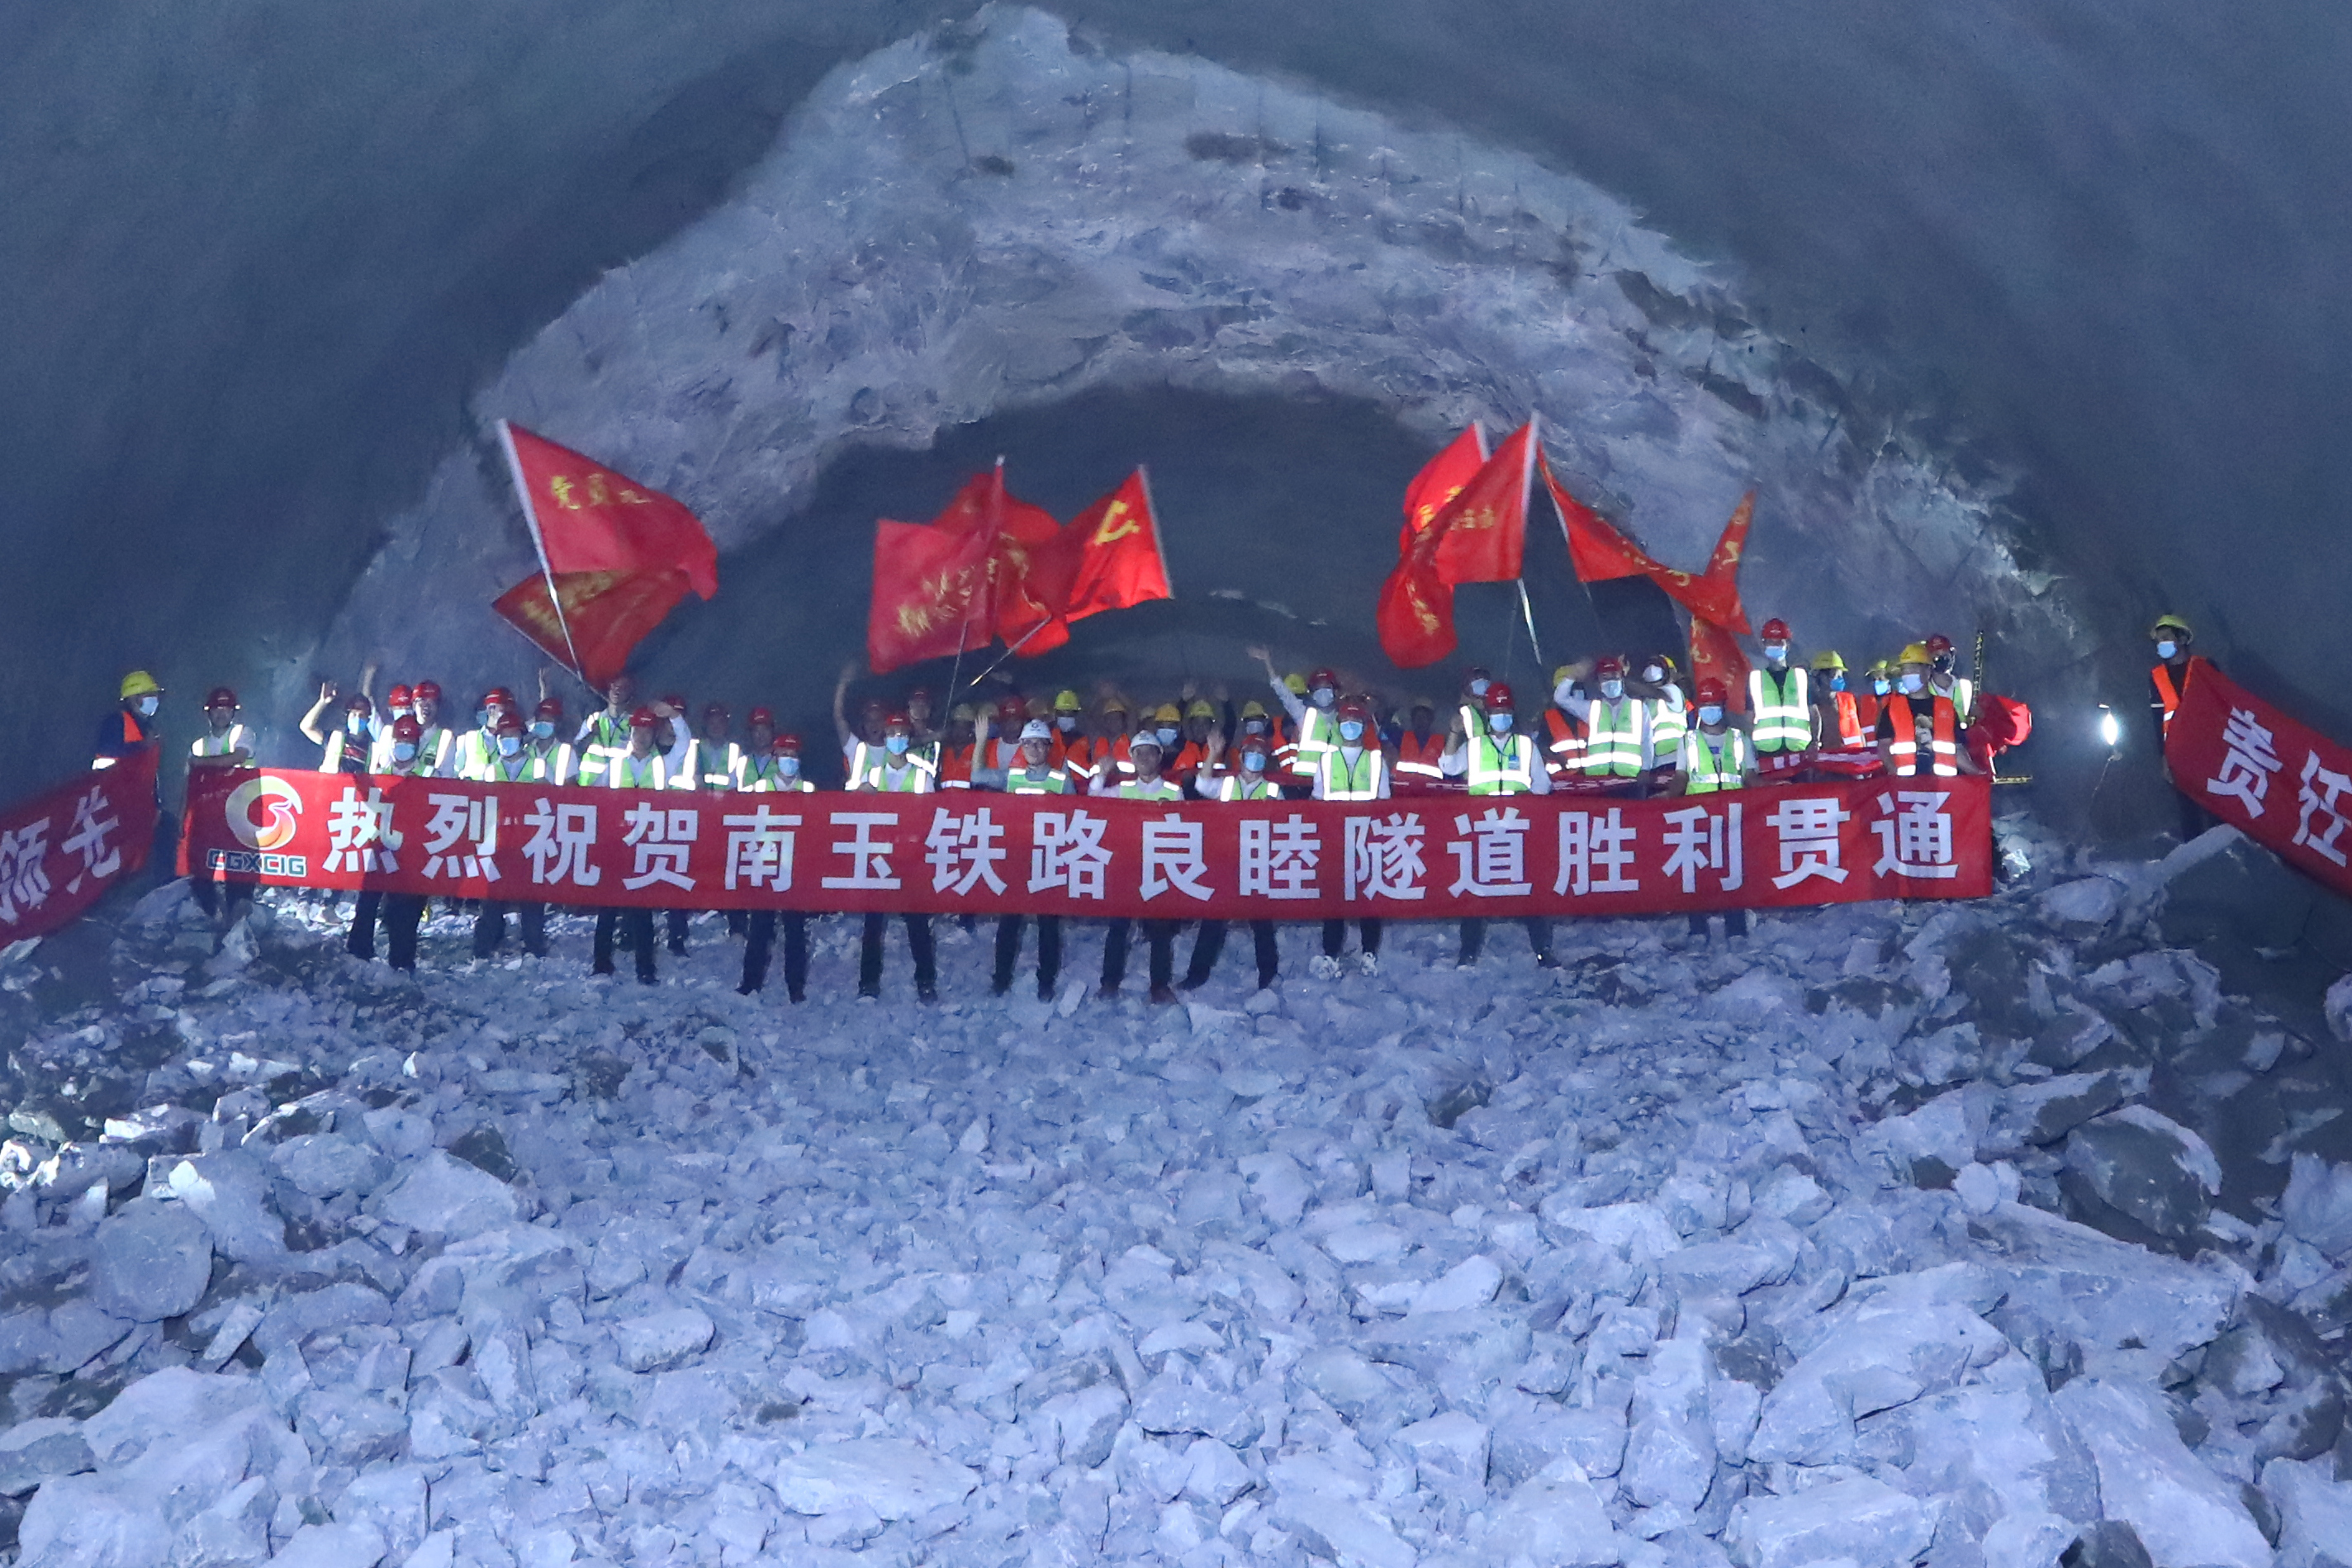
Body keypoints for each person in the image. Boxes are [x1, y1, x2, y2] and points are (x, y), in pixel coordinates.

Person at [1440, 682, 1558, 969]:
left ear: (1512, 713)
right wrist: (1454, 733)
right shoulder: (1475, 746)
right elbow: (1448, 766)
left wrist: (1523, 803)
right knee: (1475, 893)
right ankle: (1468, 953)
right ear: (1488, 714)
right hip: (1482, 830)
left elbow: (1542, 786)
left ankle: (1542, 950)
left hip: (1518, 830)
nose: (1500, 716)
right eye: (1495, 711)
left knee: (1530, 890)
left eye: (1505, 711)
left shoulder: (1526, 746)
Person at [1181, 725, 1283, 991]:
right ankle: (1197, 974)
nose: (1256, 757)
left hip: (1257, 862)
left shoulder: (1273, 790)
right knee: (1213, 918)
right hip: (1226, 860)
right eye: (1251, 752)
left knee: (1261, 922)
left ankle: (1268, 975)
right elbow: (1202, 785)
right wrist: (1213, 754)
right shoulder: (1227, 784)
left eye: (1261, 753)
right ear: (1242, 755)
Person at [849, 712, 938, 1002]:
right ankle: (868, 982)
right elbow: (852, 811)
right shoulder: (872, 775)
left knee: (917, 923)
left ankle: (925, 980)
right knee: (873, 923)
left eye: (902, 734)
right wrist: (860, 795)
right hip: (880, 857)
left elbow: (929, 817)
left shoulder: (922, 775)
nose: (897, 739)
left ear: (909, 739)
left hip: (911, 857)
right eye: (892, 734)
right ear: (885, 738)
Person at [1092, 732, 1183, 1003]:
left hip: (1158, 867)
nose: (1144, 758)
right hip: (1128, 866)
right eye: (1138, 753)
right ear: (1131, 758)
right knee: (1119, 927)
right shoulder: (1122, 789)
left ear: (1159, 757)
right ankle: (1110, 982)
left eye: (1149, 752)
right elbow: (1093, 801)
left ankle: (1159, 985)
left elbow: (1184, 828)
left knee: (1160, 930)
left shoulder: (1173, 792)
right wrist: (1101, 774)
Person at [988, 721, 1071, 999]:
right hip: (1018, 858)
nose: (1033, 749)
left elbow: (1077, 816)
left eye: (1039, 743)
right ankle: (1001, 978)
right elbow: (976, 775)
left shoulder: (1061, 780)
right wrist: (981, 741)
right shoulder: (1011, 776)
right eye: (1028, 744)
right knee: (1009, 923)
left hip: (1048, 859)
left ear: (1048, 747)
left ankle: (1046, 981)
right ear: (1021, 747)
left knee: (1048, 925)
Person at [351, 716, 440, 971]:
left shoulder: (430, 775)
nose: (402, 748)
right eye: (399, 742)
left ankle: (401, 963)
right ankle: (359, 954)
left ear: (416, 746)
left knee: (406, 911)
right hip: (381, 847)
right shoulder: (380, 776)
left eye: (408, 743)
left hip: (413, 854)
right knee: (368, 901)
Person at [1671, 678, 1754, 943]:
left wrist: (1777, 791)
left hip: (1733, 817)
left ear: (1723, 706)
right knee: (1696, 872)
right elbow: (1681, 778)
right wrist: (1666, 797)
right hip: (1698, 816)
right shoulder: (1688, 741)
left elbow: (1750, 777)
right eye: (1705, 705)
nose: (1709, 710)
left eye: (1714, 704)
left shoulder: (1740, 739)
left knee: (1733, 872)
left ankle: (1736, 928)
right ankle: (1698, 927)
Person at [737, 726, 818, 1002]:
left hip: (794, 867)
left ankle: (795, 987)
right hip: (766, 862)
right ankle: (750, 982)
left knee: (794, 930)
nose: (789, 759)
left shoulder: (809, 790)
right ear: (775, 757)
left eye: (793, 755)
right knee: (760, 927)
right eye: (784, 754)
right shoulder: (760, 787)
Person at [1310, 697, 1387, 978]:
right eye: (1346, 722)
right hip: (1335, 840)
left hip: (1367, 839)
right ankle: (1331, 954)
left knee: (1369, 899)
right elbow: (1317, 800)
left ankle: (1369, 953)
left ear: (1364, 726)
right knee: (1334, 900)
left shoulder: (1376, 761)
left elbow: (1384, 804)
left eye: (1356, 722)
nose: (1351, 727)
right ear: (1338, 726)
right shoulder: (1326, 761)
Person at [592, 708, 668, 983]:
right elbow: (595, 797)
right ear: (631, 733)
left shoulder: (661, 766)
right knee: (607, 909)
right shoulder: (615, 766)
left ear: (654, 735)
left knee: (641, 910)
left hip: (646, 844)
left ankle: (645, 968)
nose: (642, 736)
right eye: (638, 731)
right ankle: (601, 964)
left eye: (648, 731)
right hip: (616, 844)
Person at [187, 688, 257, 921]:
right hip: (209, 818)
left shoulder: (243, 734)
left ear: (234, 712)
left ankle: (237, 920)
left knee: (239, 871)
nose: (221, 714)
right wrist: (183, 819)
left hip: (240, 816)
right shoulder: (198, 745)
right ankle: (213, 916)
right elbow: (189, 786)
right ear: (208, 712)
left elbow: (238, 757)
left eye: (226, 709)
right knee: (201, 870)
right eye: (217, 709)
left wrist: (201, 763)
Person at [1875, 644, 1983, 779]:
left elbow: (1957, 749)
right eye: (1904, 671)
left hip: (1942, 785)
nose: (1907, 675)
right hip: (1906, 785)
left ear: (1927, 671)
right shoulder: (1892, 708)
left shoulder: (1946, 707)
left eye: (1913, 669)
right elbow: (1884, 747)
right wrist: (1894, 772)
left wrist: (1977, 773)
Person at [2147, 613, 2211, 841]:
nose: (2161, 644)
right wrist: (2164, 758)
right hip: (2180, 753)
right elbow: (2158, 720)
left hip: (2211, 748)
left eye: (2166, 638)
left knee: (2218, 805)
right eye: (2158, 641)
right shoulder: (2157, 677)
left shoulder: (2205, 667)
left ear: (2182, 638)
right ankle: (2197, 855)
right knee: (2189, 812)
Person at [1559, 656, 1653, 794]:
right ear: (1598, 684)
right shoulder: (1592, 709)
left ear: (1622, 678)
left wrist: (1646, 769)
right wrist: (1572, 676)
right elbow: (1561, 698)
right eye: (1605, 678)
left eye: (1614, 676)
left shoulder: (1639, 708)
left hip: (1630, 780)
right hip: (1598, 781)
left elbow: (1647, 740)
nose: (1611, 681)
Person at [1255, 650, 1340, 796]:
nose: (1322, 692)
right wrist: (1268, 663)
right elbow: (1285, 695)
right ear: (1312, 692)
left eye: (1326, 687)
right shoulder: (1306, 715)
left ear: (1335, 691)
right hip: (1303, 785)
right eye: (1318, 688)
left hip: (1335, 785)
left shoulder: (1346, 719)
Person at [1746, 619, 1811, 777]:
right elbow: (1748, 719)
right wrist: (1750, 752)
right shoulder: (1755, 679)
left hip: (1799, 753)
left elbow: (1814, 713)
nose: (1774, 646)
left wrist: (1815, 743)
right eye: (1770, 642)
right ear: (1763, 644)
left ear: (1788, 644)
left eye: (1779, 642)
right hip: (1766, 753)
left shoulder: (1801, 677)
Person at [1806, 651, 1878, 778]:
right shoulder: (1812, 706)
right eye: (1836, 675)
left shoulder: (1848, 700)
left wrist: (1866, 761)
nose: (1841, 679)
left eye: (1841, 675)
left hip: (1854, 765)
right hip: (1828, 768)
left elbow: (1858, 731)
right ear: (1821, 677)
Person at [1633, 654, 1688, 790]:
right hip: (1656, 764)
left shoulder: (1673, 691)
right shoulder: (1646, 702)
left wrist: (1625, 680)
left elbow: (1653, 692)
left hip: (1677, 761)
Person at [575, 675, 638, 787]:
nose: (617, 690)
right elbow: (577, 750)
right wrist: (592, 735)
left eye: (623, 688)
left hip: (620, 787)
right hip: (589, 785)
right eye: (614, 686)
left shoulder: (634, 723)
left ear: (631, 695)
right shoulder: (593, 719)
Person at [305, 685, 377, 775]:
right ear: (347, 716)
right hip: (330, 782)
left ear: (368, 720)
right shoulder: (335, 738)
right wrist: (322, 702)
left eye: (362, 716)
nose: (358, 719)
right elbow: (306, 727)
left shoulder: (373, 747)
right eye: (354, 714)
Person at [1539, 666, 1589, 784]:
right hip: (1561, 782)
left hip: (1593, 780)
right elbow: (1541, 746)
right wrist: (1558, 758)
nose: (1578, 691)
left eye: (1579, 687)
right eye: (1573, 688)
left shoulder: (1589, 713)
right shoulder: (1549, 717)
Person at [681, 703, 742, 793]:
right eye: (711, 723)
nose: (716, 727)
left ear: (726, 725)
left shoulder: (735, 752)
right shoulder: (694, 748)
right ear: (705, 725)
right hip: (698, 798)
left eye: (720, 722)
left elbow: (738, 783)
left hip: (727, 799)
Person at [1393, 697, 1448, 791]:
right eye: (1417, 716)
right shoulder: (1399, 737)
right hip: (1402, 792)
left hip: (1433, 794)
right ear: (1412, 719)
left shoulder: (1443, 742)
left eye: (1424, 717)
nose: (1420, 720)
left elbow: (1449, 772)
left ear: (1431, 719)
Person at [1923, 634, 1975, 725]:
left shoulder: (1965, 686)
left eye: (1944, 654)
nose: (1941, 659)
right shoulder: (1924, 689)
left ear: (1951, 655)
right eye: (1936, 655)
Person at [524, 698, 576, 784]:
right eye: (540, 720)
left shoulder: (566, 752)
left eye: (548, 720)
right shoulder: (526, 749)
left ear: (558, 724)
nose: (543, 723)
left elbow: (571, 786)